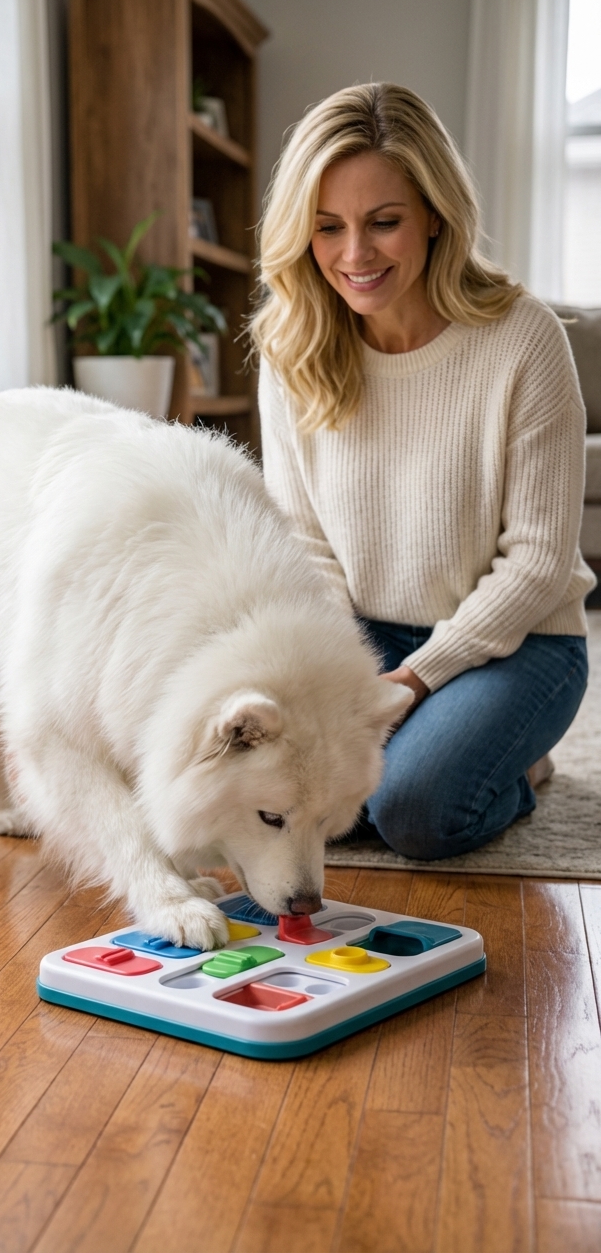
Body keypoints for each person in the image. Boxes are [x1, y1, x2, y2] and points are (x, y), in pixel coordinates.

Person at [251, 82, 595, 860]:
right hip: (361, 635)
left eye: (383, 223)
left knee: (410, 809)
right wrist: (340, 677)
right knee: (279, 789)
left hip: (520, 644)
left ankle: (519, 768)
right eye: (326, 227)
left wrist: (412, 683)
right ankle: (458, 749)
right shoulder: (291, 346)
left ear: (434, 215)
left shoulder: (519, 337)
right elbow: (303, 547)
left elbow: (539, 564)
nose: (353, 255)